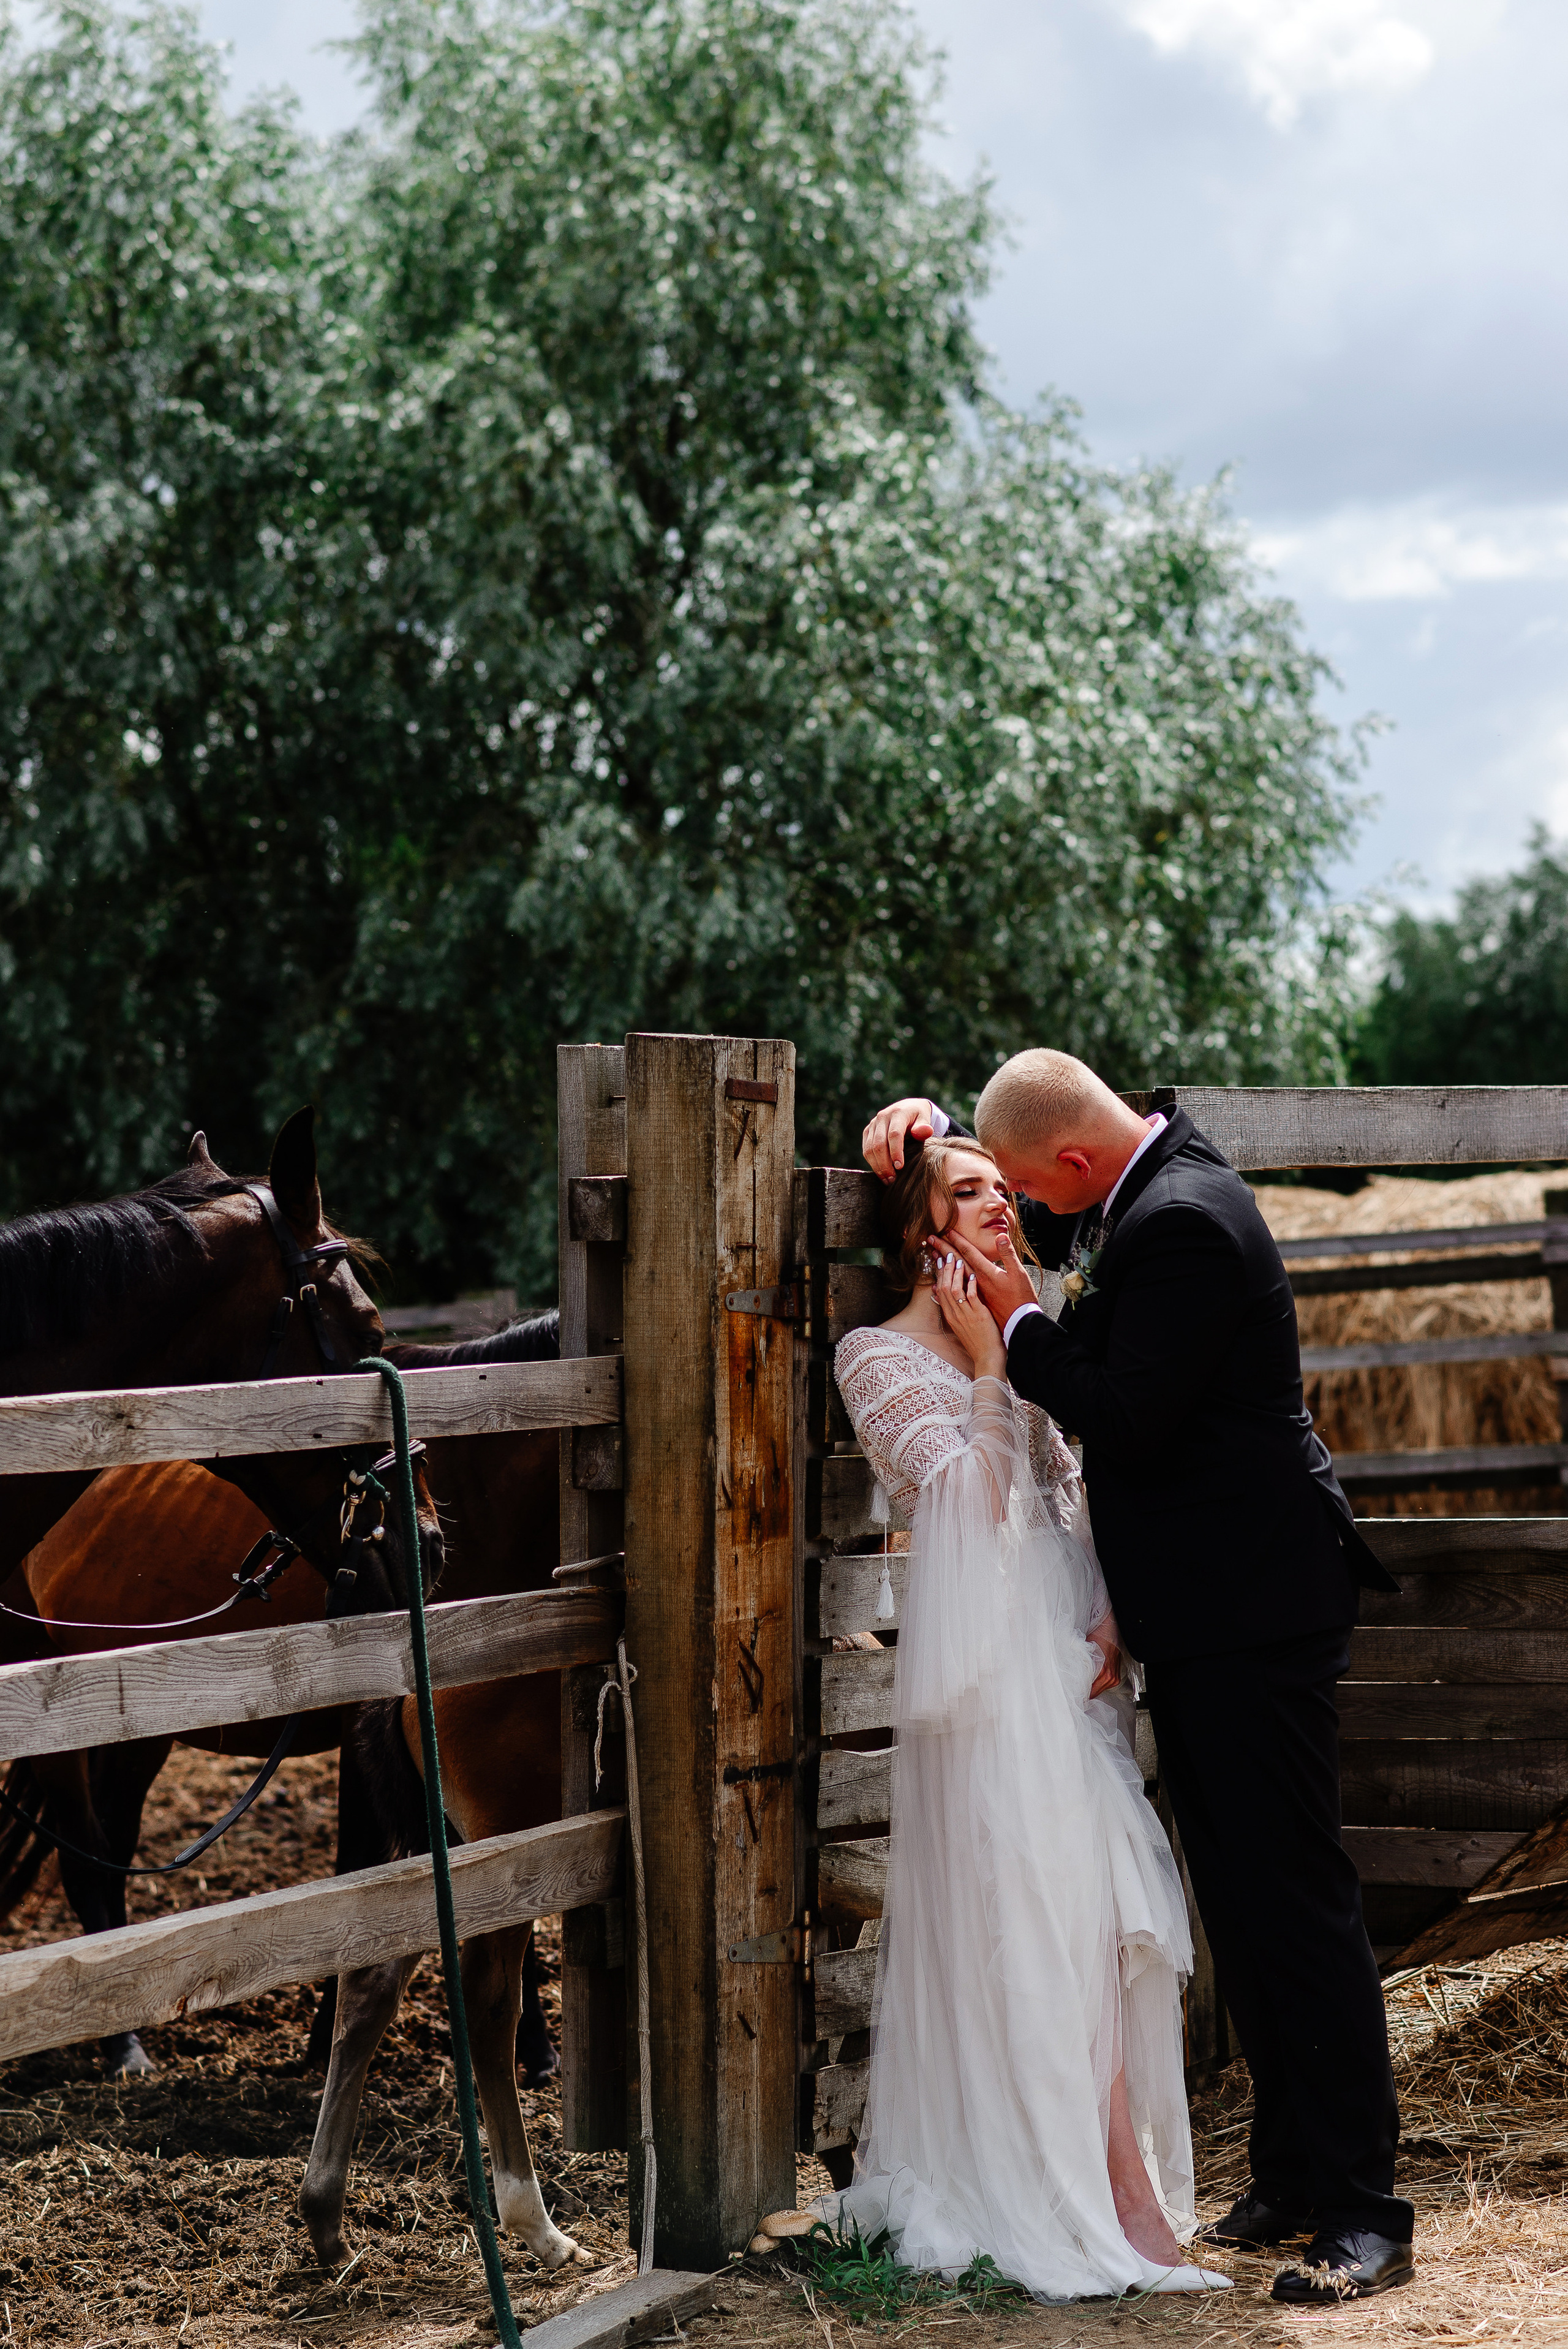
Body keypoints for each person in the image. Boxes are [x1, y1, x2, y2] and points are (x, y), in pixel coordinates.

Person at [861, 1053, 1415, 2307]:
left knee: (1295, 1899)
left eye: (1014, 1184)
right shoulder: (1139, 1181)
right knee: (1238, 1890)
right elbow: (976, 1172)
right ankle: (1286, 2171)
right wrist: (914, 1124)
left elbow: (1123, 1413)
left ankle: (1361, 2209)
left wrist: (1009, 1327)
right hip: (1208, 1614)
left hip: (1254, 1609)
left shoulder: (1181, 1225)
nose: (1015, 1214)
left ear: (1063, 1166)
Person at [823, 1132, 1232, 2299]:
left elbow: (1070, 1490)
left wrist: (1113, 1607)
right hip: (987, 1678)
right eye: (971, 1191)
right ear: (921, 1232)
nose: (1003, 1205)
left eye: (1006, 1187)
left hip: (1068, 1662)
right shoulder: (878, 1356)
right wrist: (983, 1367)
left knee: (1106, 1918)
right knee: (1044, 1922)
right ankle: (1113, 2201)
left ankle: (1116, 2183)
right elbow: (969, 1508)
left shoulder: (1022, 1316)